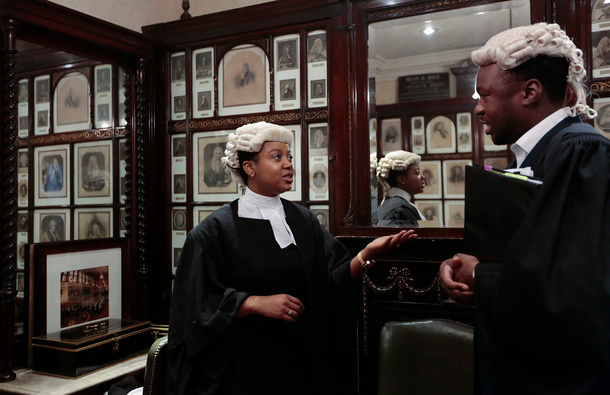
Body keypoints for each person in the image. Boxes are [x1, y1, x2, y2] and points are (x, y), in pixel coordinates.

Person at [167, 121, 415, 394]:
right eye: (277, 157)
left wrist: (365, 255)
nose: (288, 164)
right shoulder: (213, 232)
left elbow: (331, 282)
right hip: (244, 371)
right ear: (249, 168)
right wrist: (254, 303)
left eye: (289, 157)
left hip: (299, 365)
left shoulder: (302, 219)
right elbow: (197, 305)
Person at [439, 23, 610, 394]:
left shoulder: (578, 150)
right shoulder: (549, 150)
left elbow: (574, 285)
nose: (478, 108)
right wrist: (471, 269)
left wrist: (480, 275)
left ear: (530, 91)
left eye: (485, 94)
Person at [375, 150, 426, 227]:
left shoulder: (393, 204)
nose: (422, 177)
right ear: (402, 179)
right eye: (417, 173)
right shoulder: (400, 209)